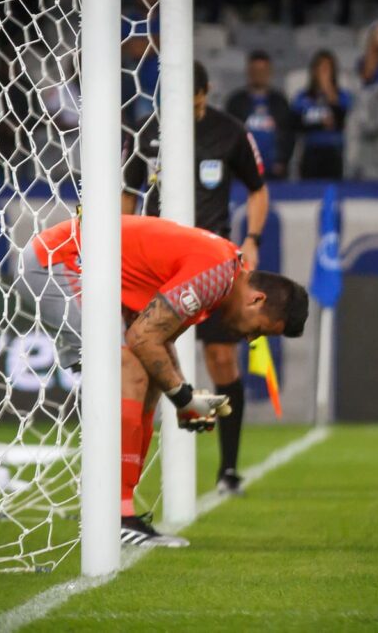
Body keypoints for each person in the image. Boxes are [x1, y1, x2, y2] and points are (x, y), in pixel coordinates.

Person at [19, 215, 309, 546]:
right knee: (132, 365)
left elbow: (161, 341)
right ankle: (115, 516)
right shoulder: (215, 274)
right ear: (257, 300)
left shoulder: (223, 275)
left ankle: (122, 510)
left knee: (152, 378)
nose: (249, 338)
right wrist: (185, 399)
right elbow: (143, 337)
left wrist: (183, 396)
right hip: (58, 263)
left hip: (76, 264)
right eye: (258, 329)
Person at [124, 61, 270, 496]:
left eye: (199, 101)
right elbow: (129, 195)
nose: (192, 109)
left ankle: (228, 470)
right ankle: (128, 481)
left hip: (208, 267)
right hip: (154, 265)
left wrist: (253, 238)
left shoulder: (230, 131)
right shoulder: (146, 133)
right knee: (142, 366)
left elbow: (258, 188)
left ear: (206, 94)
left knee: (222, 359)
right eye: (184, 104)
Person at [226, 50, 295, 179]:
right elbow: (229, 136)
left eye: (263, 70)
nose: (259, 74)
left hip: (274, 172)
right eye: (255, 70)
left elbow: (288, 134)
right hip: (244, 171)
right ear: (248, 71)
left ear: (269, 71)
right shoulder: (236, 102)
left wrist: (282, 161)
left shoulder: (279, 102)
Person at [292, 50, 352, 179]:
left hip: (334, 152)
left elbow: (341, 121)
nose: (324, 73)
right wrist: (320, 123)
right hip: (310, 152)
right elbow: (297, 125)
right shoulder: (302, 97)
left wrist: (329, 90)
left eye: (328, 68)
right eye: (321, 67)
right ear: (314, 70)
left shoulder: (342, 96)